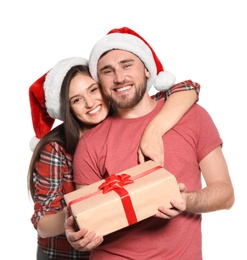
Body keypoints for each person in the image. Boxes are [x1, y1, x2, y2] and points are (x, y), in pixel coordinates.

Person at [66, 27, 235, 259]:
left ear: (147, 70)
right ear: (100, 83)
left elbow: (225, 194)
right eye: (107, 71)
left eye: (127, 65)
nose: (119, 77)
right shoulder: (90, 143)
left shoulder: (192, 116)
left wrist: (189, 201)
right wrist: (79, 238)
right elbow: (87, 216)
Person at [28, 54, 200, 260]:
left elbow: (187, 89)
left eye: (93, 90)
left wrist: (154, 129)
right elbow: (42, 222)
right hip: (65, 254)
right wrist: (77, 216)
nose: (90, 103)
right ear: (68, 108)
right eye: (76, 100)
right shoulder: (56, 148)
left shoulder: (128, 115)